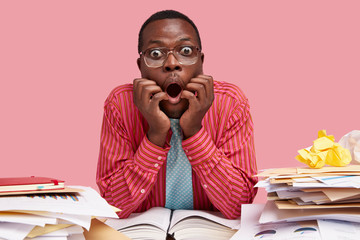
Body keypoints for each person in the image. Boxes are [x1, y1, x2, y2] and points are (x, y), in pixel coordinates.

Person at [96, 10, 258, 219]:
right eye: (155, 54)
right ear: (140, 67)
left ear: (201, 61)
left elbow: (240, 206)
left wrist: (194, 131)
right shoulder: (120, 105)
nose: (172, 63)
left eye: (186, 50)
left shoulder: (230, 103)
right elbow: (111, 206)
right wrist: (155, 135)